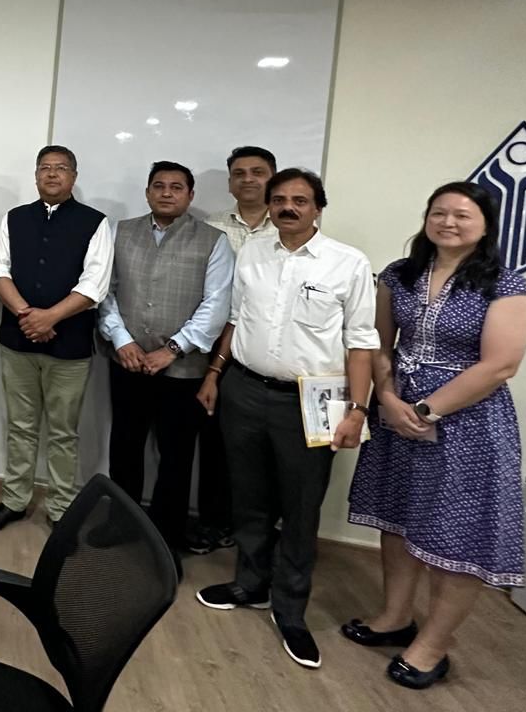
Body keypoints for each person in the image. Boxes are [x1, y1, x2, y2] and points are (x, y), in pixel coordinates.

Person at [343, 182, 526, 690]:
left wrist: (429, 410)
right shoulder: (400, 274)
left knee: (458, 532)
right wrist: (387, 398)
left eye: (462, 215)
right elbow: (379, 344)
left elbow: (500, 365)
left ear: (486, 225)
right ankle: (394, 617)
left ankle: (433, 644)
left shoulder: (506, 285)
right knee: (397, 516)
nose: (448, 222)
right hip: (397, 412)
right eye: (439, 213)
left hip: (468, 425)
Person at [195, 168, 377, 671]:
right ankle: (249, 584)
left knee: (300, 507)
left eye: (300, 200)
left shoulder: (348, 263)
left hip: (310, 400)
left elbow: (361, 342)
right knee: (248, 497)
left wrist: (358, 409)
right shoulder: (252, 253)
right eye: (279, 200)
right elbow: (236, 320)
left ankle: (290, 609)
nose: (288, 207)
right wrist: (215, 373)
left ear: (318, 207)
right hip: (245, 391)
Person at [97, 161, 233, 551]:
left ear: (190, 195)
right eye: (159, 186)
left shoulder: (214, 240)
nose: (167, 193)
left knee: (176, 456)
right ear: (147, 193)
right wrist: (122, 340)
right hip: (127, 362)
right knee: (125, 447)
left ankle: (166, 538)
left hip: (184, 369)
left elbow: (217, 303)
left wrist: (173, 349)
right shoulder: (119, 231)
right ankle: (120, 524)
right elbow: (105, 291)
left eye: (176, 187)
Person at [0, 145, 113, 531]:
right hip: (17, 342)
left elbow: (95, 284)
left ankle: (60, 508)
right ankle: (14, 499)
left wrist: (50, 317)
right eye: (45, 168)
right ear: (36, 175)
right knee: (20, 426)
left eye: (61, 168)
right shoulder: (15, 218)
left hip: (69, 347)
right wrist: (28, 315)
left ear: (74, 176)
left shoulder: (95, 222)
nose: (52, 174)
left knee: (63, 432)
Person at [192, 144, 279, 554]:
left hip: (267, 349)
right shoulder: (210, 227)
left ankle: (259, 531)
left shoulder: (290, 228)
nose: (248, 179)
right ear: (229, 183)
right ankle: (213, 522)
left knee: (266, 450)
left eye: (257, 172)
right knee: (214, 443)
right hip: (215, 346)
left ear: (272, 178)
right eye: (239, 173)